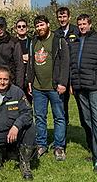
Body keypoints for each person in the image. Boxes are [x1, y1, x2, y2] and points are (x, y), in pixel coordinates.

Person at [69, 14, 97, 174]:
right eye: (79, 24)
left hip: (95, 85)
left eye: (84, 24)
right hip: (80, 86)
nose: (82, 26)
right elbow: (73, 64)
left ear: (90, 24)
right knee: (86, 120)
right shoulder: (74, 41)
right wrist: (72, 84)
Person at [26, 14, 69, 161]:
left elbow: (65, 63)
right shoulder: (34, 41)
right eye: (37, 26)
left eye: (42, 25)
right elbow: (31, 63)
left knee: (59, 117)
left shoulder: (58, 40)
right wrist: (30, 81)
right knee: (39, 117)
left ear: (48, 25)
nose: (39, 28)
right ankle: (41, 144)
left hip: (55, 87)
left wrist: (63, 82)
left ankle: (59, 147)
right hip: (38, 88)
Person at [54, 7, 79, 126]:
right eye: (60, 17)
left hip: (75, 72)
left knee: (81, 102)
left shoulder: (77, 31)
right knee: (62, 104)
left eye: (64, 17)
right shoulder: (56, 34)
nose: (62, 19)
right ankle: (64, 127)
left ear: (69, 17)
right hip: (62, 74)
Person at [0, 17, 24, 88]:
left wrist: (19, 86)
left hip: (9, 83)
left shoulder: (14, 42)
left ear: (5, 27)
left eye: (1, 26)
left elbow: (19, 66)